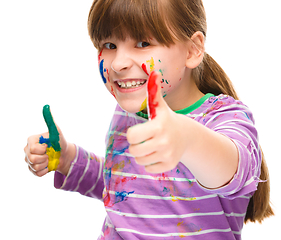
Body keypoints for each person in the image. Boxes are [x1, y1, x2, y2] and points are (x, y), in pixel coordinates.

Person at [24, 0, 274, 239]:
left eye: (143, 43)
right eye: (109, 45)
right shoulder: (127, 115)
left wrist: (187, 138)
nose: (118, 63)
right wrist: (69, 160)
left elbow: (234, 168)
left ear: (192, 50)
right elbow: (124, 193)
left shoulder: (224, 117)